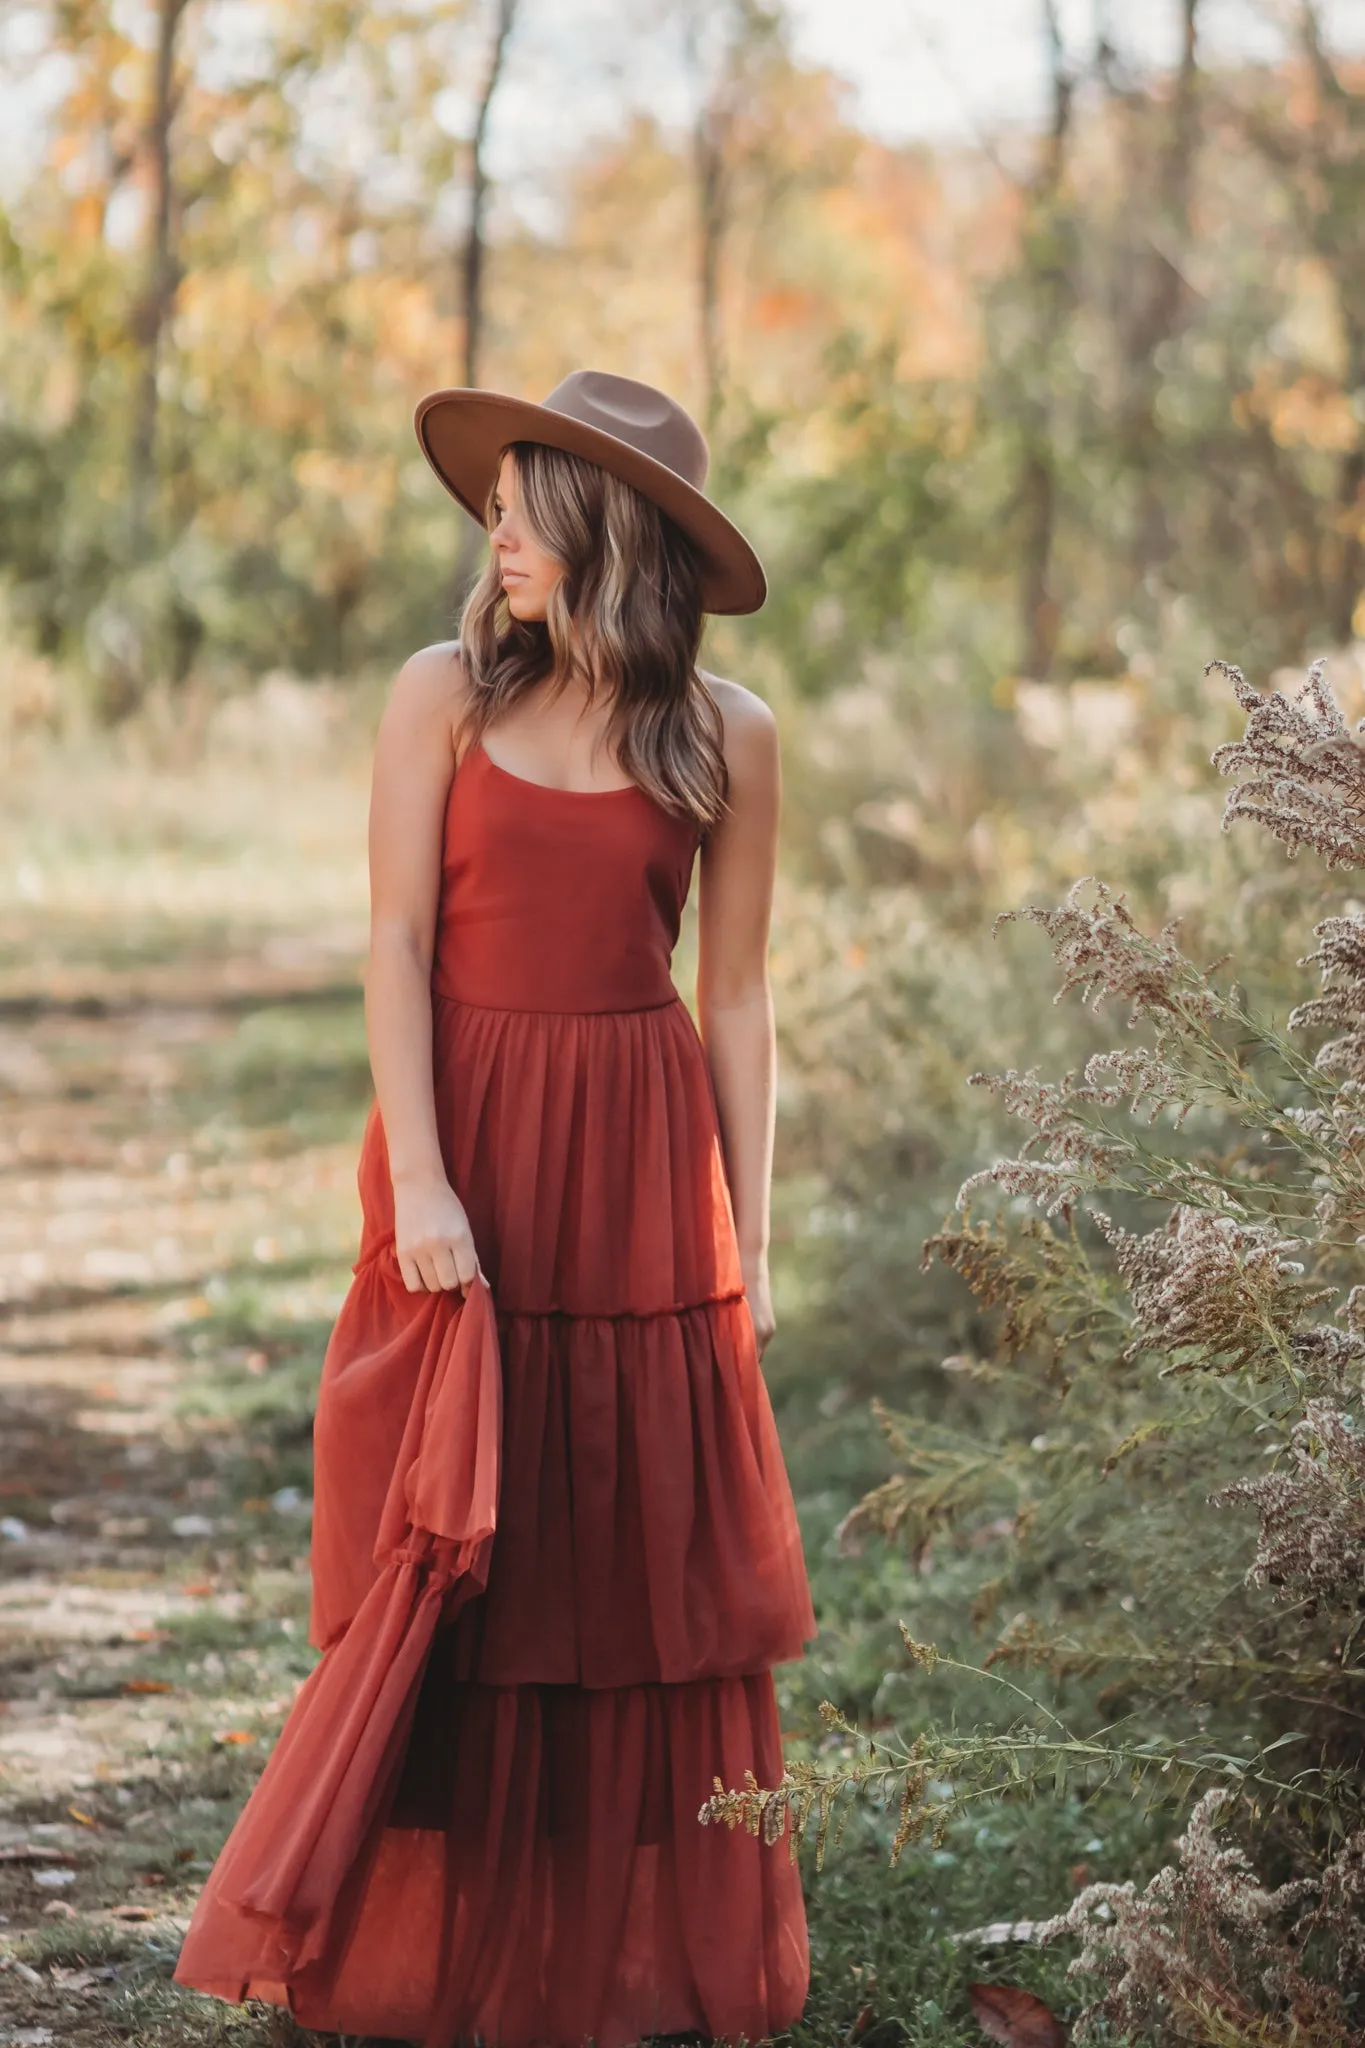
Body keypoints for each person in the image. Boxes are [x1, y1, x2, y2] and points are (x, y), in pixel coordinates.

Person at [172, 369, 818, 2047]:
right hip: (466, 1161)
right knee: (443, 1543)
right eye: (500, 497)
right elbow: (393, 943)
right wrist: (428, 1182)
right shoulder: (439, 699)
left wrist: (746, 1245)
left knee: (619, 1562)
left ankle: (601, 1958)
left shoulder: (729, 735)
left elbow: (736, 1002)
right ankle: (416, 1946)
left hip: (640, 1174)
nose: (498, 525)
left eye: (528, 497)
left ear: (609, 527)